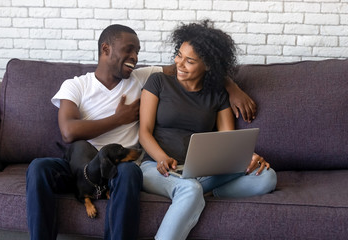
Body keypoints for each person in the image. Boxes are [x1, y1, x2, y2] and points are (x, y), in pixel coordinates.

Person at [25, 23, 259, 240]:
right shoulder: (75, 85)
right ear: (106, 49)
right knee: (39, 167)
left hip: (120, 167)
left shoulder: (144, 77)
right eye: (129, 50)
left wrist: (232, 87)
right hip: (82, 166)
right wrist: (119, 119)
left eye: (137, 51)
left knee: (129, 173)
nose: (135, 58)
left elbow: (200, 66)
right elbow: (68, 132)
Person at [139, 20, 277, 240]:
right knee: (190, 189)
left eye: (190, 61)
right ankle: (195, 195)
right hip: (156, 167)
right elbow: (143, 132)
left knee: (267, 177)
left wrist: (248, 157)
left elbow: (227, 141)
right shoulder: (158, 82)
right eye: (179, 55)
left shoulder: (218, 95)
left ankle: (209, 193)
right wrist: (162, 158)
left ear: (208, 66)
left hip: (201, 173)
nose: (179, 64)